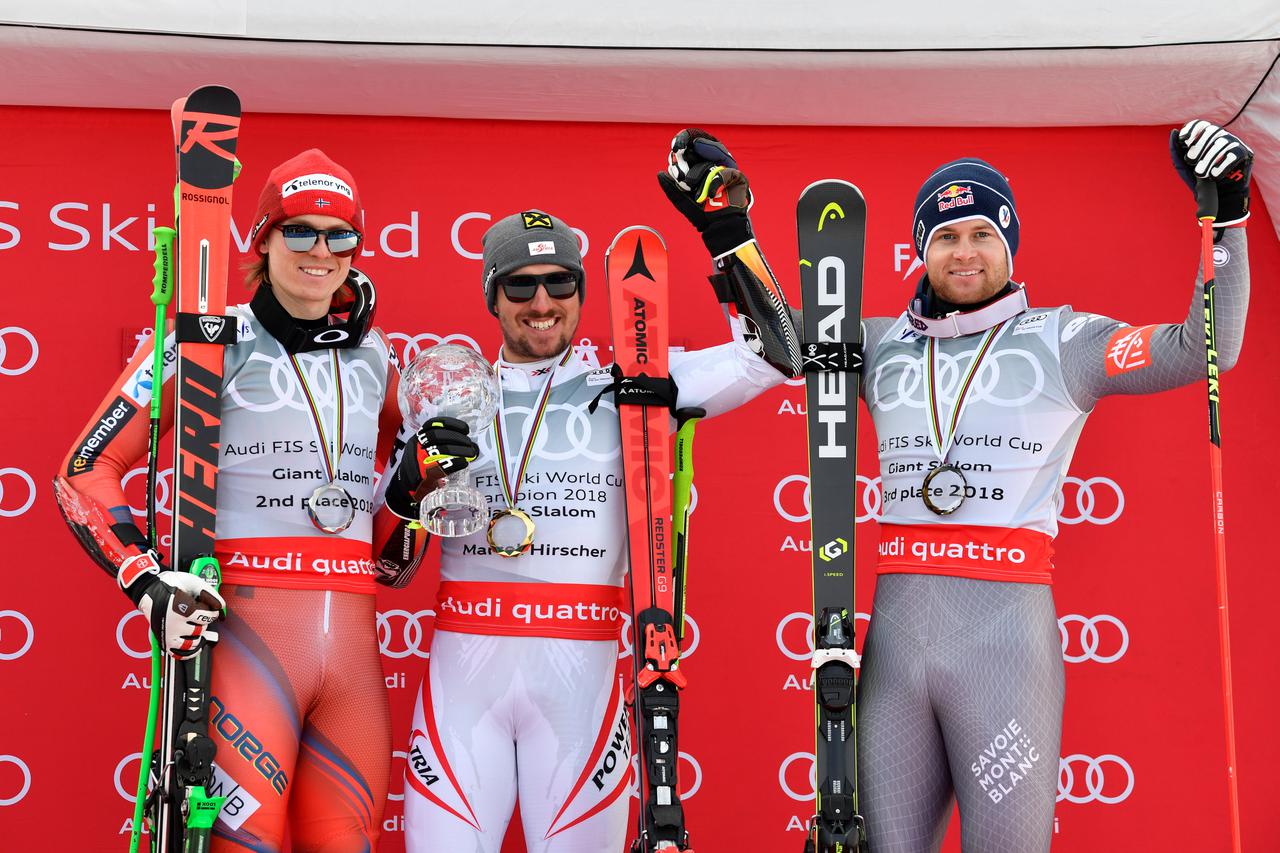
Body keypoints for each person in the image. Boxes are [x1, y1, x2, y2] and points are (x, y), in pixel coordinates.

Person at [383, 146, 804, 852]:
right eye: (520, 286)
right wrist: (409, 485)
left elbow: (776, 357)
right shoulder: (444, 393)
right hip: (464, 678)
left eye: (560, 282)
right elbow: (386, 569)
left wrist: (728, 233)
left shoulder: (635, 383)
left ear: (582, 288)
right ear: (492, 296)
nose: (542, 303)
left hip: (582, 685)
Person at [53, 149, 428, 851]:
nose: (321, 251)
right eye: (300, 232)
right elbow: (83, 471)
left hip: (351, 648)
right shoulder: (203, 338)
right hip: (248, 640)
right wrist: (145, 576)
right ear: (262, 238)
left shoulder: (376, 358)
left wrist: (419, 490)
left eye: (339, 234)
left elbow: (393, 559)